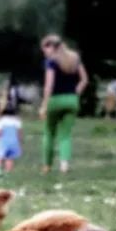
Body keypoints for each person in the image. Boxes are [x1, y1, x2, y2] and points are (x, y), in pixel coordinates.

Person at [38, 34, 88, 174]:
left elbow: (49, 85)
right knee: (66, 135)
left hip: (55, 100)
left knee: (49, 133)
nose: (44, 53)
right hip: (72, 100)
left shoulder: (51, 62)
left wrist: (44, 106)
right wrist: (75, 93)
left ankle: (47, 165)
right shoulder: (75, 58)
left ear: (51, 47)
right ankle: (64, 165)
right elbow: (84, 80)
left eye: (45, 49)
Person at [0, 102, 23, 175]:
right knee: (10, 158)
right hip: (14, 142)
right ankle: (8, 172)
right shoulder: (17, 121)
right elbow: (19, 134)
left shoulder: (1, 121)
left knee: (0, 156)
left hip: (4, 142)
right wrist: (19, 142)